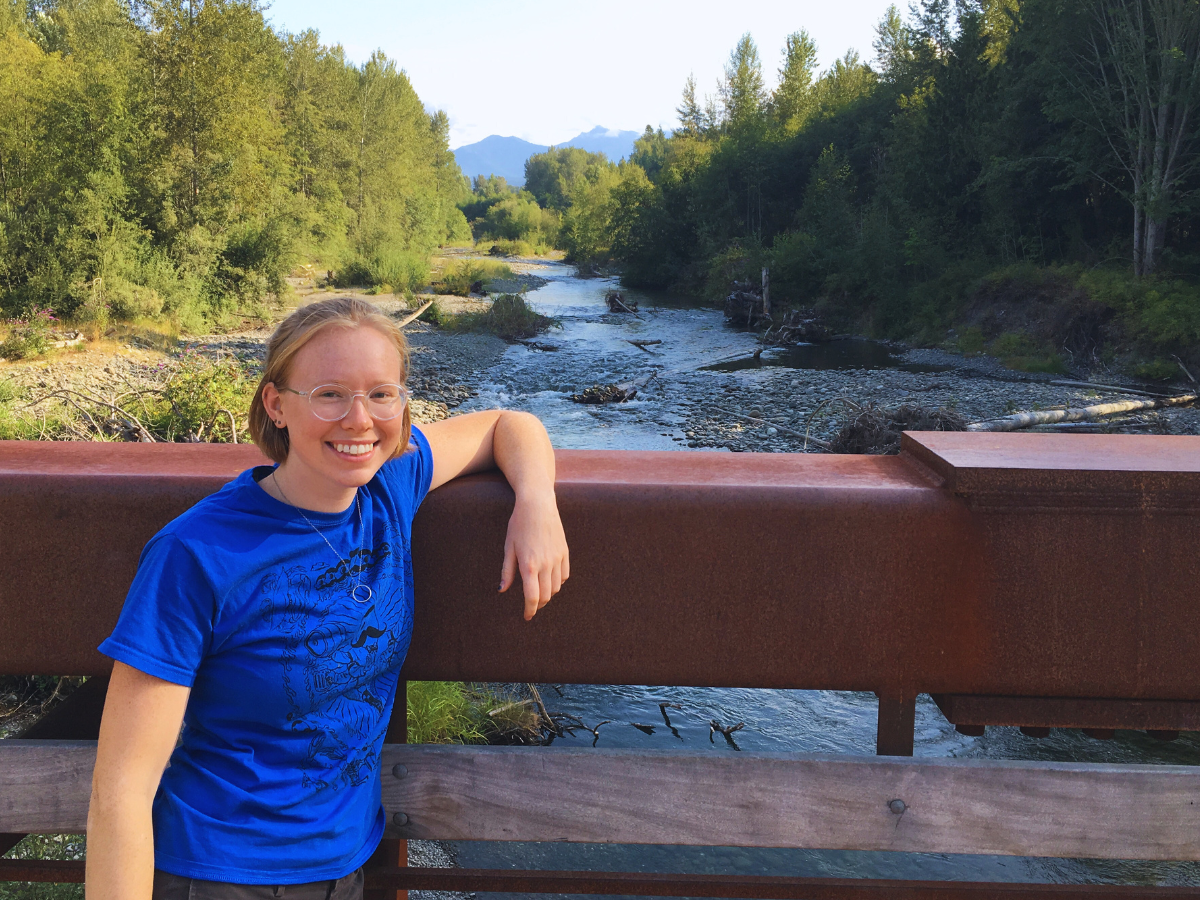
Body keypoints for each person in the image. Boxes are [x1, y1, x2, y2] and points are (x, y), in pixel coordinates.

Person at [86, 297, 570, 900]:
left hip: (346, 866)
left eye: (381, 393)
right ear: (276, 404)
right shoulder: (197, 553)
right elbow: (121, 789)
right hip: (220, 874)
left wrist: (537, 505)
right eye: (329, 394)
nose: (360, 420)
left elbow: (509, 425)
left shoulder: (389, 488)